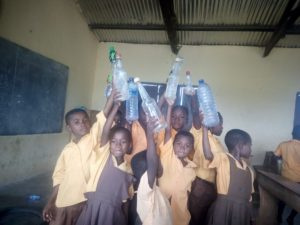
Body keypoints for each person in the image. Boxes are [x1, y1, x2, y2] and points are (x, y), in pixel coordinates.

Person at [42, 91, 115, 225]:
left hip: (83, 200)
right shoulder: (66, 150)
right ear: (69, 128)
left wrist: (111, 97)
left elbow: (102, 117)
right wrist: (50, 202)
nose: (82, 124)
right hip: (63, 201)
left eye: (85, 120)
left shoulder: (92, 138)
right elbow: (59, 177)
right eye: (76, 122)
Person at [76, 99, 133, 225]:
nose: (118, 145)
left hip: (113, 215)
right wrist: (115, 106)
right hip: (93, 209)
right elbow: (106, 130)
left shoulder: (128, 170)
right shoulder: (103, 155)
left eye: (123, 142)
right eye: (113, 141)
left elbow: (126, 201)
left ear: (129, 146)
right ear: (109, 143)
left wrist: (127, 219)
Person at [202, 127, 254, 225]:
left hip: (242, 211)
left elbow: (250, 197)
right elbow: (208, 155)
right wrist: (204, 129)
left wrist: (250, 216)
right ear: (239, 146)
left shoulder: (248, 169)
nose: (251, 149)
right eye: (249, 146)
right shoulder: (223, 159)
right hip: (224, 208)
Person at [158, 100, 197, 225]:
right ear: (173, 144)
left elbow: (188, 194)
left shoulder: (191, 169)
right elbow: (168, 130)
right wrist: (170, 105)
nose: (182, 147)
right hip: (161, 211)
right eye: (179, 144)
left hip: (180, 217)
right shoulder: (168, 151)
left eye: (186, 146)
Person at [129, 117, 172, 225]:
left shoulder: (146, 188)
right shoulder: (146, 187)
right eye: (158, 162)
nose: (160, 164)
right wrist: (149, 133)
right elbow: (152, 161)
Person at [189, 112, 226, 225]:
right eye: (220, 124)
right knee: (196, 217)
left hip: (210, 185)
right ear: (211, 124)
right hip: (201, 184)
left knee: (204, 216)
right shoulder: (202, 137)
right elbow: (209, 156)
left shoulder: (215, 141)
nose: (222, 127)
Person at [274, 125, 300, 225]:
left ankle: (278, 217)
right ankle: (290, 218)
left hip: (284, 177)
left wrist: (283, 161)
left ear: (292, 133)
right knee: (298, 201)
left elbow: (275, 156)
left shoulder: (283, 145)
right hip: (298, 179)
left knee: (282, 198)